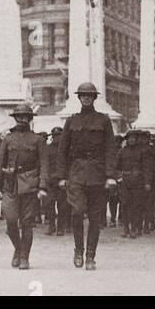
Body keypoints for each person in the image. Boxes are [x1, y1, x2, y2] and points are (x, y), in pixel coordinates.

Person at [52, 82, 117, 270]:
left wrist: (110, 175)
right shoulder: (72, 121)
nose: (86, 98)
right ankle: (78, 250)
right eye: (83, 95)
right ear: (79, 98)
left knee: (96, 218)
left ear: (94, 98)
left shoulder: (103, 121)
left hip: (97, 174)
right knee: (77, 212)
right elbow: (62, 151)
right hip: (76, 174)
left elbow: (110, 149)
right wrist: (62, 176)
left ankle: (90, 256)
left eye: (89, 95)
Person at [0, 101, 48, 269]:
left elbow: (44, 164)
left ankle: (24, 256)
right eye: (19, 117)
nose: (22, 120)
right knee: (10, 222)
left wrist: (43, 186)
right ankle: (18, 248)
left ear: (30, 119)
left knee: (27, 223)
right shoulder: (7, 139)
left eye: (25, 117)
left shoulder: (38, 140)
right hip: (10, 185)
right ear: (15, 118)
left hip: (30, 185)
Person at [117, 129, 148, 239]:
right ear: (127, 139)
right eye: (130, 138)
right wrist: (119, 177)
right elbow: (116, 167)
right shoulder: (122, 152)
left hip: (138, 182)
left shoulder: (142, 152)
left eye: (134, 138)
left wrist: (147, 182)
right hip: (125, 181)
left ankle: (135, 228)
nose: (132, 140)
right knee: (125, 205)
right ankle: (126, 228)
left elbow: (146, 168)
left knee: (136, 205)